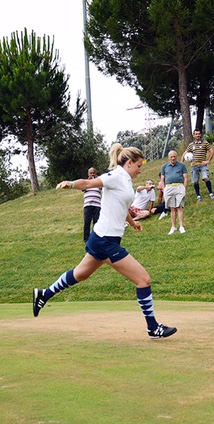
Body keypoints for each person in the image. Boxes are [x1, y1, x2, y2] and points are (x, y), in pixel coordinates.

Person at [33, 144, 177, 339]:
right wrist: (71, 183)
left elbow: (122, 206)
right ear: (129, 163)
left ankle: (43, 295)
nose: (140, 170)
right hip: (105, 241)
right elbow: (88, 183)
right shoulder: (116, 176)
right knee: (143, 280)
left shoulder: (125, 180)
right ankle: (153, 328)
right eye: (139, 166)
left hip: (103, 238)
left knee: (80, 274)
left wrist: (133, 223)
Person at [182, 129, 214, 202]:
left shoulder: (205, 143)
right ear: (193, 135)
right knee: (195, 181)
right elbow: (185, 153)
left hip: (203, 165)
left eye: (199, 134)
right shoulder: (191, 145)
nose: (197, 135)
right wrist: (181, 163)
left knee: (206, 178)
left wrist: (208, 161)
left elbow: (211, 151)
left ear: (201, 135)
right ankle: (198, 196)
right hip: (194, 165)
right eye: (196, 134)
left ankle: (211, 193)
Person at [161, 150, 188, 235]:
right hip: (169, 187)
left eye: (174, 156)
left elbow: (185, 177)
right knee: (172, 208)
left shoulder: (182, 165)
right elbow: (162, 179)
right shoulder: (164, 166)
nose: (173, 158)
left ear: (177, 156)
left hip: (179, 186)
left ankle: (181, 226)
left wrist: (184, 187)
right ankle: (173, 227)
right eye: (171, 157)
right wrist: (164, 189)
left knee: (179, 206)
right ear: (169, 157)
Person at [82, 167, 101, 242]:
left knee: (96, 222)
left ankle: (95, 237)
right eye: (91, 173)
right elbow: (82, 188)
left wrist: (97, 179)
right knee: (87, 222)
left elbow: (102, 188)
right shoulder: (86, 182)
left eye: (94, 173)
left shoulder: (98, 182)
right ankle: (86, 239)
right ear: (88, 174)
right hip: (88, 205)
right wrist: (89, 180)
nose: (92, 174)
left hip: (97, 205)